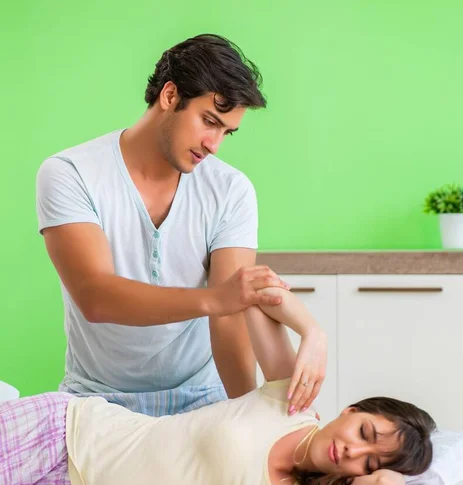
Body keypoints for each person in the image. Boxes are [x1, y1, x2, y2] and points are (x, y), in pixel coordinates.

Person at [36, 33, 300, 416]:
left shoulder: (231, 191)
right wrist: (216, 299)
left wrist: (246, 417)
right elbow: (96, 296)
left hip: (201, 398)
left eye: (227, 132)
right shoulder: (69, 173)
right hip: (96, 402)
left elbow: (228, 322)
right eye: (209, 121)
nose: (214, 144)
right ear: (170, 95)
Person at [0, 287, 435, 485]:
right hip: (68, 432)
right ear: (350, 410)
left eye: (369, 460)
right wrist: (313, 333)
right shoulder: (292, 402)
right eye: (363, 431)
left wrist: (383, 470)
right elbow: (259, 294)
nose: (352, 451)